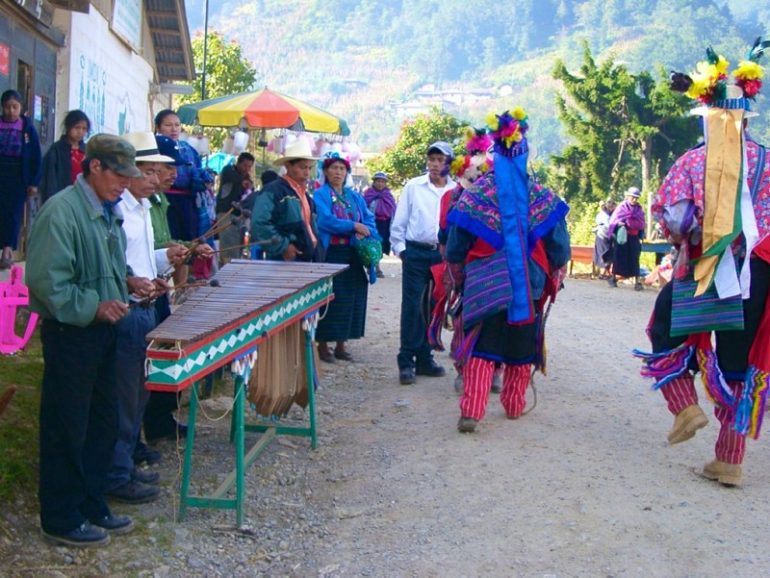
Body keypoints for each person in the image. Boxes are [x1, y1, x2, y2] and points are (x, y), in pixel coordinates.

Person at [635, 45, 770, 488]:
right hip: (758, 274)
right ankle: (729, 460)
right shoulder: (768, 162)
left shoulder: (692, 161)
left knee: (663, 330)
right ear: (745, 117)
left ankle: (685, 407)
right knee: (738, 362)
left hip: (703, 268)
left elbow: (675, 219)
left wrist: (687, 236)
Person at [26, 134, 142, 547]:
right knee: (66, 428)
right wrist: (94, 306)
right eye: (119, 174)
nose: (125, 183)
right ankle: (60, 517)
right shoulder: (62, 212)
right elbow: (47, 283)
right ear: (94, 167)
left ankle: (92, 503)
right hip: (71, 334)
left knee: (101, 423)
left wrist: (128, 282)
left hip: (103, 333)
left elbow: (106, 266)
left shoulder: (106, 210)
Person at [444, 108, 571, 433]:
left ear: (495, 155)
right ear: (524, 153)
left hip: (486, 285)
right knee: (521, 347)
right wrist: (555, 270)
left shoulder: (476, 196)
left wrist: (457, 273)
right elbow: (559, 246)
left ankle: (471, 411)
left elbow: (457, 242)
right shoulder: (540, 195)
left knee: (483, 347)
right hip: (529, 285)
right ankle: (513, 405)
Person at [104, 132, 187, 504]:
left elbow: (142, 258)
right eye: (149, 172)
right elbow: (110, 264)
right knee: (122, 397)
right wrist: (130, 280)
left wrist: (164, 261)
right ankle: (116, 475)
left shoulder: (143, 206)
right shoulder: (116, 208)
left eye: (158, 172)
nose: (156, 179)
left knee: (139, 393)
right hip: (125, 311)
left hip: (146, 307)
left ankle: (127, 462)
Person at [391, 141, 457, 385]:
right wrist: (402, 250)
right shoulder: (414, 186)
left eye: (440, 160)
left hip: (442, 256)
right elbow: (400, 221)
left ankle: (425, 357)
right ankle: (406, 360)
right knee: (412, 306)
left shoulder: (456, 190)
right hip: (416, 253)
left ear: (449, 163)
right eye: (432, 159)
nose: (435, 164)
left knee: (434, 306)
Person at [314, 152, 379, 363]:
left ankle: (342, 344)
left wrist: (366, 230)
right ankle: (323, 344)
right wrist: (353, 226)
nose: (338, 172)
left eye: (342, 169)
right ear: (325, 171)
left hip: (354, 254)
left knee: (352, 297)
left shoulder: (354, 197)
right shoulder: (321, 194)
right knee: (331, 296)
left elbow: (369, 219)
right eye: (334, 168)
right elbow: (325, 221)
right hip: (332, 253)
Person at [251, 139, 319, 262]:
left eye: (310, 168)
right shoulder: (274, 191)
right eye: (302, 167)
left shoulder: (305, 194)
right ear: (288, 165)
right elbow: (259, 224)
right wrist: (283, 246)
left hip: (305, 256)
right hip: (284, 258)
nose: (307, 172)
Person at [154, 109, 213, 242]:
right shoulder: (153, 147)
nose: (174, 129)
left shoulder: (188, 148)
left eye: (177, 125)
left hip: (187, 202)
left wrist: (202, 179)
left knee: (188, 241)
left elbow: (198, 169)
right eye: (168, 125)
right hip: (163, 197)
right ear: (158, 127)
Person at [0, 89, 41, 269]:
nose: (11, 111)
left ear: (21, 108)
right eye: (7, 107)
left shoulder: (27, 128)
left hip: (18, 176)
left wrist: (33, 182)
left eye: (14, 107)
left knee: (13, 213)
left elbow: (35, 157)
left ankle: (7, 251)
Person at [39, 110, 90, 203]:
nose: (80, 132)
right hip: (62, 198)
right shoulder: (56, 150)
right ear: (68, 127)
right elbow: (50, 179)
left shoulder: (87, 151)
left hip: (83, 198)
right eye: (77, 127)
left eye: (84, 129)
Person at [216, 152, 255, 264]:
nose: (246, 169)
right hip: (226, 214)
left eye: (249, 166)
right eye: (244, 165)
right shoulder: (228, 170)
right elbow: (235, 178)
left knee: (238, 247)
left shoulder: (247, 179)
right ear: (238, 163)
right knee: (228, 247)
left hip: (240, 216)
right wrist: (244, 182)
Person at [608, 187, 645, 290]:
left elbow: (642, 223)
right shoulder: (621, 207)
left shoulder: (639, 210)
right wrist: (620, 224)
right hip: (622, 238)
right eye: (632, 197)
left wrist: (634, 225)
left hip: (634, 237)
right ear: (628, 196)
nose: (634, 199)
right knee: (618, 257)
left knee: (635, 258)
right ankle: (613, 278)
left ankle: (637, 282)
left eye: (636, 198)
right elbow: (613, 221)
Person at [363, 171, 396, 278]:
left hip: (385, 224)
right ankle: (376, 268)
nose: (380, 184)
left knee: (382, 246)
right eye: (378, 181)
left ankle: (373, 265)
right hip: (372, 224)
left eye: (382, 182)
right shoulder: (368, 194)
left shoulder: (388, 195)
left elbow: (393, 210)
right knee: (373, 245)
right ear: (374, 182)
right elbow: (363, 209)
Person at [592, 197, 616, 279]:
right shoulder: (602, 214)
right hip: (602, 236)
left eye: (613, 203)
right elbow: (607, 224)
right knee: (602, 255)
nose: (610, 205)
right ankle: (601, 273)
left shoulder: (615, 214)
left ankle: (604, 273)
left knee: (610, 255)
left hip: (611, 237)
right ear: (606, 204)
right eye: (609, 202)